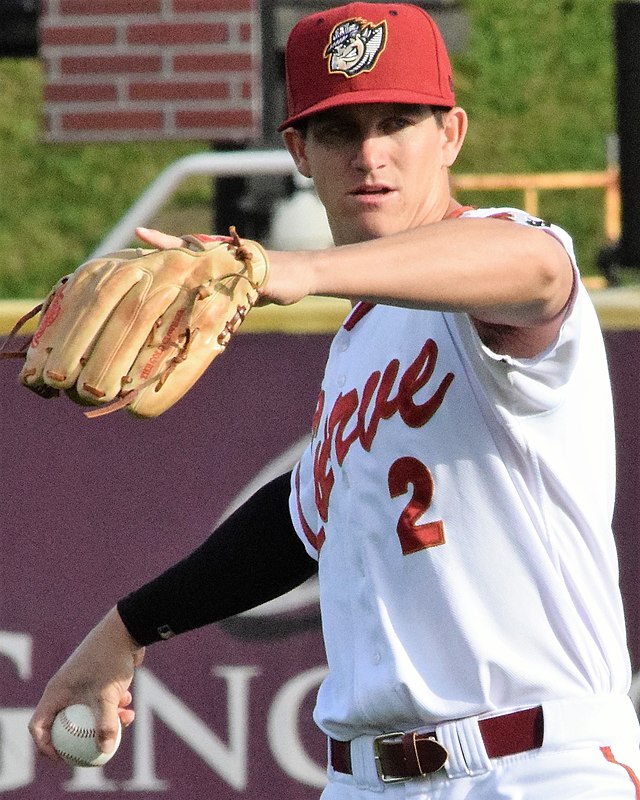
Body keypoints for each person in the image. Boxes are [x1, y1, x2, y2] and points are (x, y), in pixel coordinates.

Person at [29, 3, 640, 798]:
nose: (371, 154)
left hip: (531, 764)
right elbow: (299, 516)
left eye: (398, 122)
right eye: (340, 131)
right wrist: (125, 631)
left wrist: (302, 271)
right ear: (299, 153)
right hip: (366, 776)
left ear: (451, 134)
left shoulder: (497, 257)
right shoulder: (360, 340)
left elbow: (540, 272)